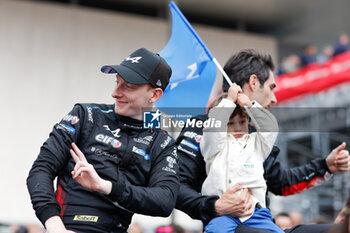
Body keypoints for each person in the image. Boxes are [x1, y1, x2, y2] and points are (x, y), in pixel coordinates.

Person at [175, 49, 350, 233]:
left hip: (260, 219)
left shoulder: (255, 133)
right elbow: (176, 187)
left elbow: (281, 182)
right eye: (271, 87)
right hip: (224, 224)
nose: (274, 98)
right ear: (253, 82)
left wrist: (325, 166)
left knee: (338, 231)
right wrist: (215, 205)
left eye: (242, 122)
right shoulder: (204, 126)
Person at [26, 48, 180, 233]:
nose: (115, 93)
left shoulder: (161, 141)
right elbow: (41, 169)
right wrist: (54, 225)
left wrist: (105, 186)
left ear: (154, 95)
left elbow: (165, 201)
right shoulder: (85, 116)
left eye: (128, 86)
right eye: (117, 82)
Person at [200, 86, 281, 233]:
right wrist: (229, 101)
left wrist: (250, 105)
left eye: (242, 122)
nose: (237, 128)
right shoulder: (215, 145)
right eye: (230, 123)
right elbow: (213, 128)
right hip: (222, 213)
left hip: (256, 213)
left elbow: (271, 127)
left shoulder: (256, 143)